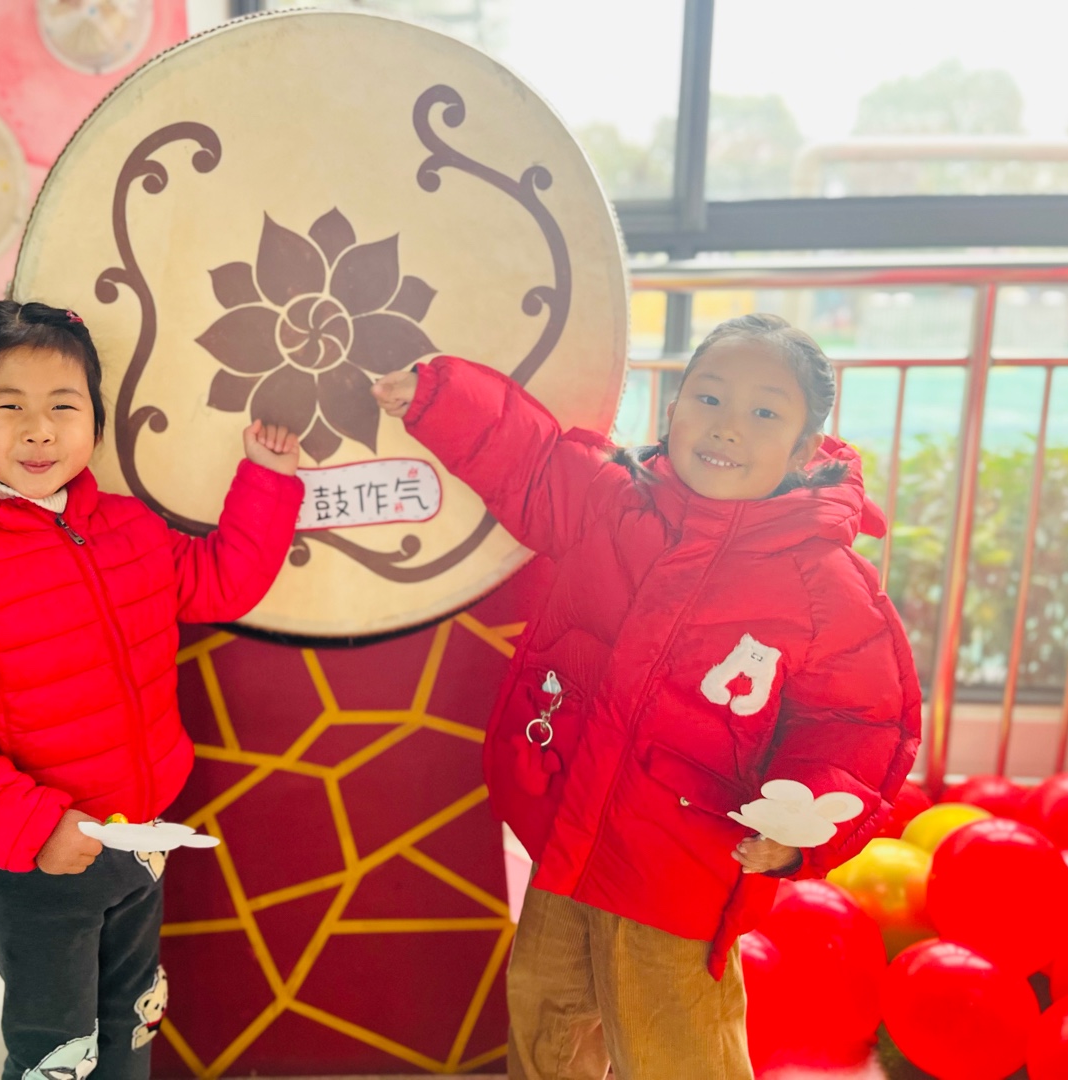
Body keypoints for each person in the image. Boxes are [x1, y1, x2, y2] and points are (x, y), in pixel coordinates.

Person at [372, 314, 921, 1080]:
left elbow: (858, 724)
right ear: (673, 408)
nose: (728, 426)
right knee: (546, 1025)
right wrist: (437, 396)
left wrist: (802, 830)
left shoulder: (823, 583)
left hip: (681, 875)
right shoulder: (615, 502)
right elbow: (529, 462)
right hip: (568, 842)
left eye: (765, 412)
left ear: (804, 450)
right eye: (709, 397)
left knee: (675, 1052)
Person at [0, 300, 304, 1080]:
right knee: (56, 1053)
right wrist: (35, 828)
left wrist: (267, 479)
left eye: (64, 406)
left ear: (95, 418)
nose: (39, 431)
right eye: (9, 407)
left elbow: (220, 582)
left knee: (131, 1021)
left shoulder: (130, 529)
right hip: (37, 862)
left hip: (141, 837)